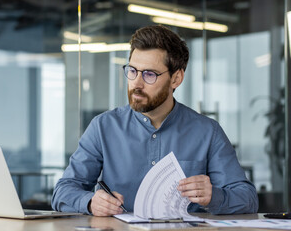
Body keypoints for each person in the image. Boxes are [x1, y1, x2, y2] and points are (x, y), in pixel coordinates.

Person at [51, 25, 259, 216]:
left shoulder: (207, 131)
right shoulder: (103, 127)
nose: (137, 83)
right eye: (132, 71)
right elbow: (63, 190)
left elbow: (247, 198)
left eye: (149, 74)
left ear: (176, 78)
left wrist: (214, 196)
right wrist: (89, 202)